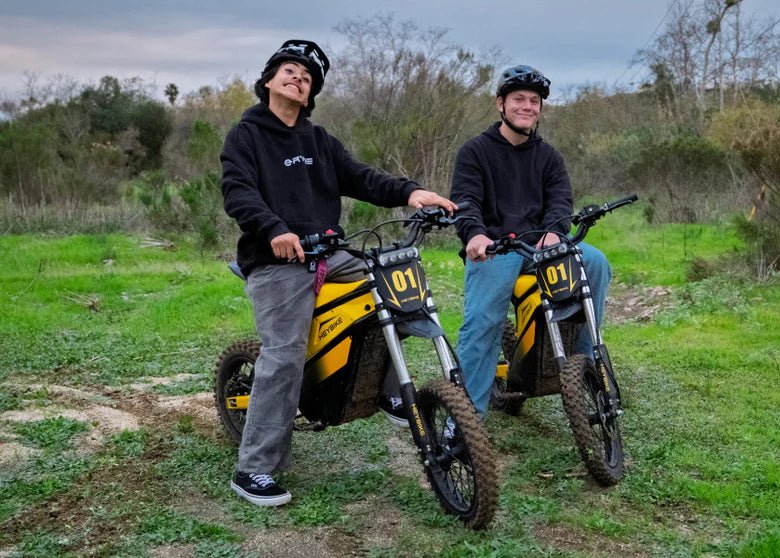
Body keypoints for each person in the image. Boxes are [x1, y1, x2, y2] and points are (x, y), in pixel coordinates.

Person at [220, 39, 457, 507]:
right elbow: (238, 191)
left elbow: (362, 177)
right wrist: (274, 229)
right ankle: (254, 468)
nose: (298, 78)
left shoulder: (319, 140)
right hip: (276, 260)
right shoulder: (246, 135)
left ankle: (385, 389)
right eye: (289, 71)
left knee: (392, 292)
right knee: (284, 356)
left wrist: (410, 193)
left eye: (307, 77)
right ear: (269, 80)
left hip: (332, 253)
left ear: (311, 94)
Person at [449, 65, 612, 418]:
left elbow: (560, 202)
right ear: (501, 104)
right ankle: (466, 420)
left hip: (543, 246)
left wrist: (554, 231)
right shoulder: (474, 152)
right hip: (496, 249)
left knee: (596, 261)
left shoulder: (548, 156)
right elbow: (465, 201)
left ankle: (584, 363)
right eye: (519, 99)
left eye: (534, 101)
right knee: (482, 323)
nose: (527, 106)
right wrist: (475, 234)